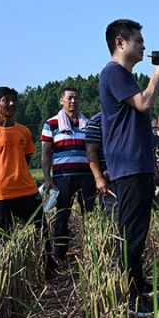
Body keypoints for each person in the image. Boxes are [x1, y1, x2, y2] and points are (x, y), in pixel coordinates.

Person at [99, 19, 159, 317]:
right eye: (138, 40)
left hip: (136, 163)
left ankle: (138, 285)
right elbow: (143, 104)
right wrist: (155, 78)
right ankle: (129, 299)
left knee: (138, 231)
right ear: (120, 42)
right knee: (130, 233)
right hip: (127, 165)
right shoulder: (113, 72)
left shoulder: (123, 75)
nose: (143, 45)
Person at [0, 87, 54, 273]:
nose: (12, 103)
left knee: (41, 231)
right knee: (1, 238)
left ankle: (48, 268)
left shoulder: (23, 131)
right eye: (6, 100)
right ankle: (8, 274)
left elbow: (26, 159)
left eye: (14, 100)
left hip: (27, 190)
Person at [41, 87, 96, 261]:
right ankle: (59, 255)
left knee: (90, 213)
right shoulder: (51, 124)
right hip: (62, 177)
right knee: (62, 215)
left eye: (76, 98)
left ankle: (91, 251)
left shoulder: (88, 123)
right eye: (69, 98)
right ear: (61, 101)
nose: (73, 101)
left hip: (87, 176)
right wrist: (47, 179)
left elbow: (94, 151)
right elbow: (46, 154)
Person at [84, 111, 117, 220]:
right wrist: (98, 178)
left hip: (130, 175)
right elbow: (91, 152)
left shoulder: (130, 117)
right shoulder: (96, 121)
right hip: (109, 177)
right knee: (112, 216)